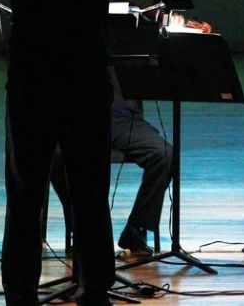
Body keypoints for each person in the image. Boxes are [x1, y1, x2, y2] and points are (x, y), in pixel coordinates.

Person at [0, 0, 168, 306]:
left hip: (31, 84)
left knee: (25, 194)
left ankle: (20, 293)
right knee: (89, 191)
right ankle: (94, 290)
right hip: (84, 83)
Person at [49, 66, 174, 259]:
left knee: (164, 155)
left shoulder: (133, 40)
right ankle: (82, 228)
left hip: (123, 120)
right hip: (78, 118)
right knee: (57, 154)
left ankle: (137, 227)